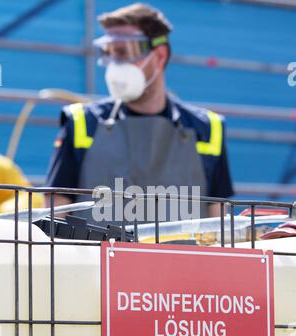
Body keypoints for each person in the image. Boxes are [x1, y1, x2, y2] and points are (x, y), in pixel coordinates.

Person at [46, 3, 233, 222]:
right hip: (99, 256)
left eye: (124, 52)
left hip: (178, 257)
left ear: (159, 56)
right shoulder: (81, 123)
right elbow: (55, 217)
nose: (115, 64)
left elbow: (218, 223)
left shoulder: (207, 129)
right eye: (109, 52)